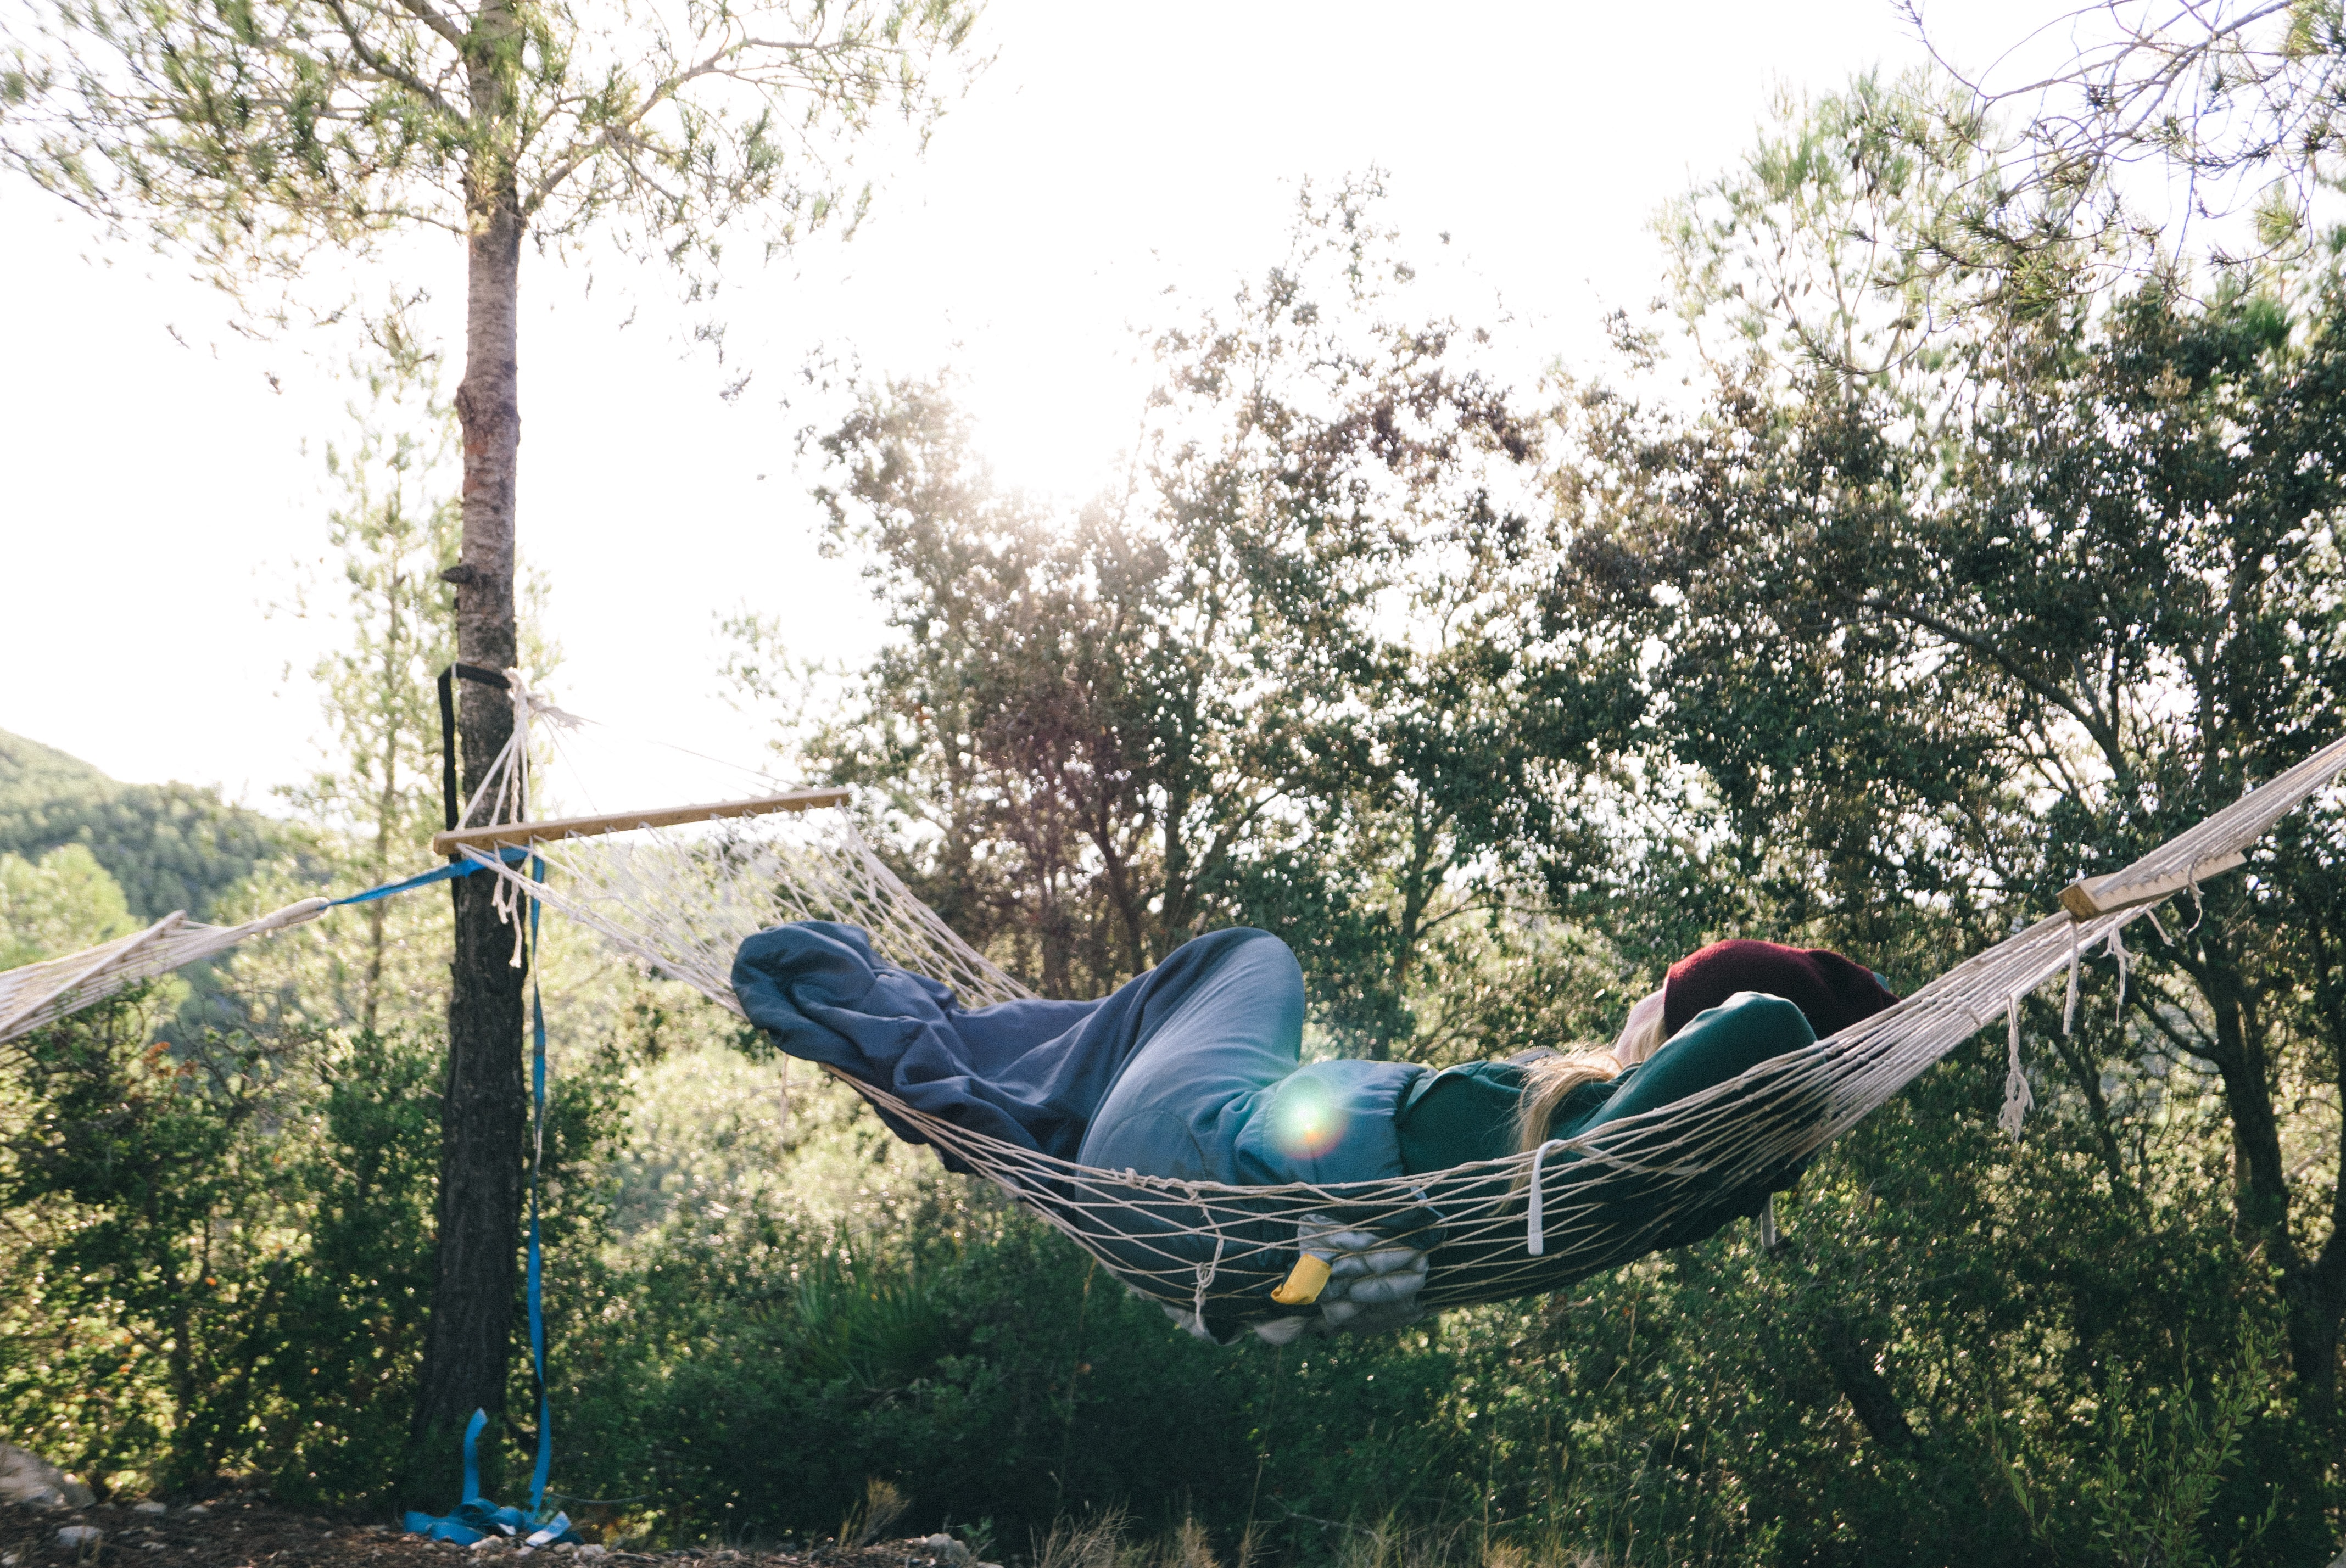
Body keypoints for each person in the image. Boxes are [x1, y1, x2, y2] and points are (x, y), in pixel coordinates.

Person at [731, 925, 1898, 1337]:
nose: (1639, 1002)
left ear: (1682, 1025)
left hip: (1175, 1158)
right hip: (1194, 1262)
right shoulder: (1644, 1205)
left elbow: (1772, 1019)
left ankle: (968, 1048)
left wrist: (1753, 1002)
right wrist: (1259, 1302)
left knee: (1250, 960)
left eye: (1663, 992)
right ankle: (1022, 1090)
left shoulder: (1592, 1137)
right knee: (1149, 1052)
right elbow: (1359, 1284)